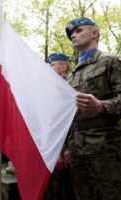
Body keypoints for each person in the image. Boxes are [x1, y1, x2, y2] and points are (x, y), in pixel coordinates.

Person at [64, 17, 121, 200]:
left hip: (106, 153)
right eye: (71, 34)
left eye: (78, 31)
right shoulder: (71, 76)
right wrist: (68, 147)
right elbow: (69, 116)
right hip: (77, 152)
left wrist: (101, 106)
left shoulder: (111, 61)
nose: (73, 36)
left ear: (94, 33)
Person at [44, 52, 76, 200]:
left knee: (64, 190)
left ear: (63, 67)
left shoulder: (68, 88)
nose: (48, 68)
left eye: (51, 65)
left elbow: (66, 122)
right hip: (52, 148)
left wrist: (62, 150)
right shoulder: (54, 87)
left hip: (63, 150)